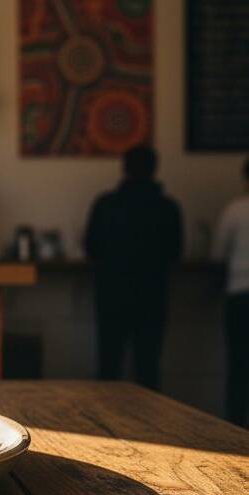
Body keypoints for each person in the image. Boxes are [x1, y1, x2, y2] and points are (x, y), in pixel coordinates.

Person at [84, 146, 183, 391]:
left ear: (124, 168)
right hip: (152, 295)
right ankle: (149, 427)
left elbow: (90, 247)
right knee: (148, 368)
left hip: (111, 294)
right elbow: (176, 252)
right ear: (154, 169)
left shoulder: (106, 204)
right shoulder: (168, 208)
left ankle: (100, 425)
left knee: (109, 366)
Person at [211, 157, 249, 428]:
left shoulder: (236, 210)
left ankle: (235, 430)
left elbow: (217, 253)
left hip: (241, 294)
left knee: (238, 368)